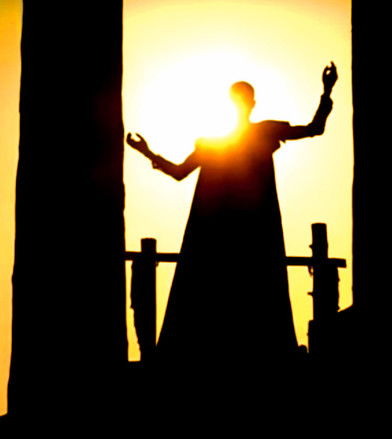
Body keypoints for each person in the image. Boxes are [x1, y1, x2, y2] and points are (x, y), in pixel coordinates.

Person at [126, 63, 338, 422]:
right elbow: (314, 128)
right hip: (234, 235)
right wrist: (147, 153)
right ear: (249, 103)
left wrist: (327, 93)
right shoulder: (227, 141)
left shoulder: (238, 139)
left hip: (236, 235)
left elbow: (178, 172)